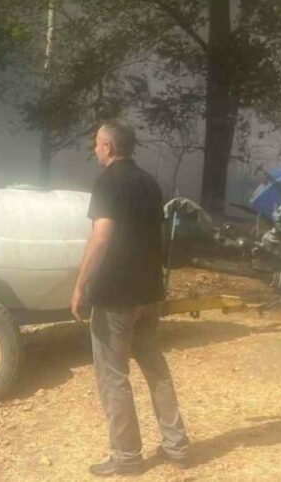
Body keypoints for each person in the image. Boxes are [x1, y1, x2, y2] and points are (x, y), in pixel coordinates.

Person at [71, 119, 191, 477]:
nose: (94, 148)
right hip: (148, 293)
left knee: (113, 376)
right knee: (155, 367)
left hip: (115, 296)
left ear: (108, 147)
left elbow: (103, 235)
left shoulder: (108, 181)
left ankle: (126, 457)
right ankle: (177, 445)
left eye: (96, 143)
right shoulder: (149, 182)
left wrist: (80, 285)